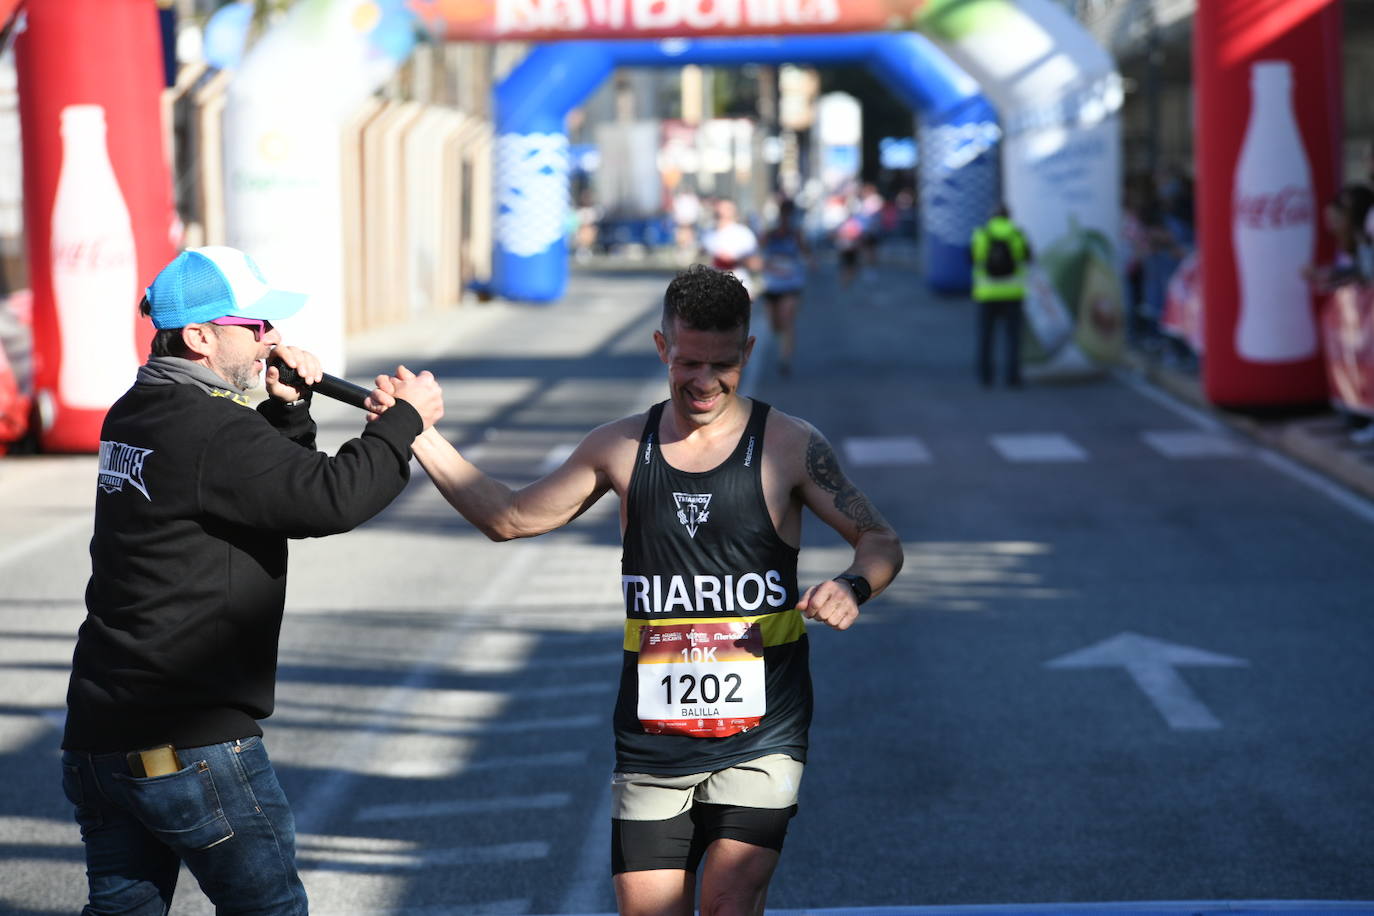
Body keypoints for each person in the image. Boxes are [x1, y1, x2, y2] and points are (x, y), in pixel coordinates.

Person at [388, 264, 904, 916]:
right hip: (653, 737)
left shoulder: (788, 445)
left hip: (764, 729)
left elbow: (880, 539)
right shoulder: (621, 447)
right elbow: (509, 517)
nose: (705, 382)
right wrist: (418, 434)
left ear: (748, 351)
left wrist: (853, 585)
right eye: (689, 363)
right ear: (662, 347)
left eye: (723, 365)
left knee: (728, 902)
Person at [60, 245, 445, 914]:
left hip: (101, 734)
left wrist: (289, 412)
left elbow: (259, 494)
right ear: (200, 337)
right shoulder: (209, 426)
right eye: (255, 325)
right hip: (190, 742)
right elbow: (329, 499)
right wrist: (402, 423)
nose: (271, 338)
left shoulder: (138, 409)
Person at [970, 203, 1032, 387]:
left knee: (986, 337)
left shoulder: (981, 234)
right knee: (1013, 338)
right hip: (1013, 293)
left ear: (991, 217)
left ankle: (986, 377)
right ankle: (1013, 377)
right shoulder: (1018, 234)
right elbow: (1027, 258)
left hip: (986, 294)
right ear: (1009, 216)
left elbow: (971, 258)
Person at [759, 199, 811, 377]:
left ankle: (784, 360)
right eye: (783, 214)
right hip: (772, 284)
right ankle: (782, 345)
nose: (786, 218)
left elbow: (806, 253)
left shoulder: (796, 234)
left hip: (791, 285)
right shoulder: (770, 234)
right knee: (774, 325)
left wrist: (806, 256)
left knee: (787, 320)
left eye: (789, 214)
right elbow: (759, 251)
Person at [701, 199, 762, 298]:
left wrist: (732, 260)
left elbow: (757, 263)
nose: (721, 212)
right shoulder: (708, 233)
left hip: (738, 286)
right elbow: (700, 258)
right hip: (712, 288)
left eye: (726, 209)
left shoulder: (743, 233)